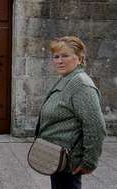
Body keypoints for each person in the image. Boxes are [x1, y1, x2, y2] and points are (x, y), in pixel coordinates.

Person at [38, 36, 106, 189]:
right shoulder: (67, 78)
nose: (59, 61)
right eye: (56, 56)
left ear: (80, 58)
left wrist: (89, 162)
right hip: (57, 157)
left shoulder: (81, 84)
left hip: (69, 161)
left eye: (65, 56)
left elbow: (95, 126)